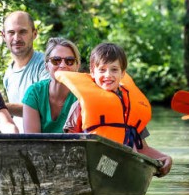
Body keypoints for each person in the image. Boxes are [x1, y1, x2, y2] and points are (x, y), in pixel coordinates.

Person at [58, 42, 173, 177]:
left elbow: (142, 148)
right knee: (106, 165)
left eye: (114, 69)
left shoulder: (131, 107)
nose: (108, 75)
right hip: (93, 165)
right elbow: (68, 144)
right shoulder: (80, 105)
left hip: (123, 167)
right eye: (102, 70)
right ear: (92, 72)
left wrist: (165, 158)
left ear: (122, 73)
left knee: (120, 164)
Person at [1, 11, 50, 127]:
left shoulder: (45, 66)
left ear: (34, 34)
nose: (16, 38)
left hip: (44, 141)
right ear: (3, 36)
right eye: (11, 32)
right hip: (19, 141)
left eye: (23, 32)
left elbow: (43, 109)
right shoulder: (8, 74)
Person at [22, 37, 81, 134]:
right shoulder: (34, 93)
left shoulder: (83, 95)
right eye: (56, 60)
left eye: (69, 60)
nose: (62, 65)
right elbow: (32, 141)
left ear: (77, 66)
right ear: (46, 66)